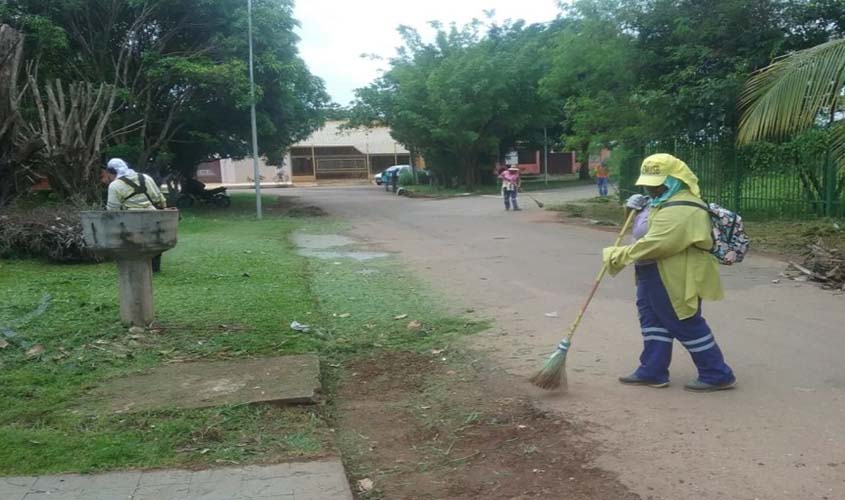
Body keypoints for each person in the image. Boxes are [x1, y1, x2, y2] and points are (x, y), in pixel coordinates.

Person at [602, 153, 736, 392]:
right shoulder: (659, 202)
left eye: (658, 183)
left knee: (683, 321)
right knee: (652, 320)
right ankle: (652, 370)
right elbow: (642, 232)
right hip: (651, 270)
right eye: (648, 183)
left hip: (675, 273)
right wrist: (630, 211)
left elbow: (658, 243)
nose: (652, 188)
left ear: (676, 179)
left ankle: (717, 373)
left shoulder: (684, 208)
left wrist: (616, 255)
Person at [104, 158, 168, 272]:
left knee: (132, 246)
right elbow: (160, 199)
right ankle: (154, 267)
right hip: (152, 217)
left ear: (110, 172)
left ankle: (135, 267)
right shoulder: (145, 177)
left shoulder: (114, 185)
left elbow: (112, 210)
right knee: (153, 243)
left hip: (130, 221)